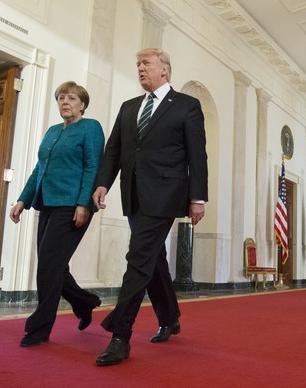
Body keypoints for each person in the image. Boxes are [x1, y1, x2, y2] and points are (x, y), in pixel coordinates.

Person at [91, 48, 208, 366]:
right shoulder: (129, 108)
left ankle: (120, 335)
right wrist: (102, 183)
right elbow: (113, 150)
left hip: (166, 194)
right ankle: (170, 317)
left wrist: (197, 197)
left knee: (138, 257)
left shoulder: (187, 105)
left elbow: (197, 154)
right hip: (134, 195)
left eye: (146, 64)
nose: (140, 68)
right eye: (137, 64)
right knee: (154, 259)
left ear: (164, 71)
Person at [9, 81, 105, 347]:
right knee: (54, 265)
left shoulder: (91, 128)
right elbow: (38, 170)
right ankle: (85, 302)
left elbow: (92, 167)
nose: (65, 102)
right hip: (48, 203)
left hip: (72, 205)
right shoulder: (52, 132)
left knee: (49, 265)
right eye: (61, 98)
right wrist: (22, 200)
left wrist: (84, 203)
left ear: (82, 104)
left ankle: (39, 328)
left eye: (72, 98)